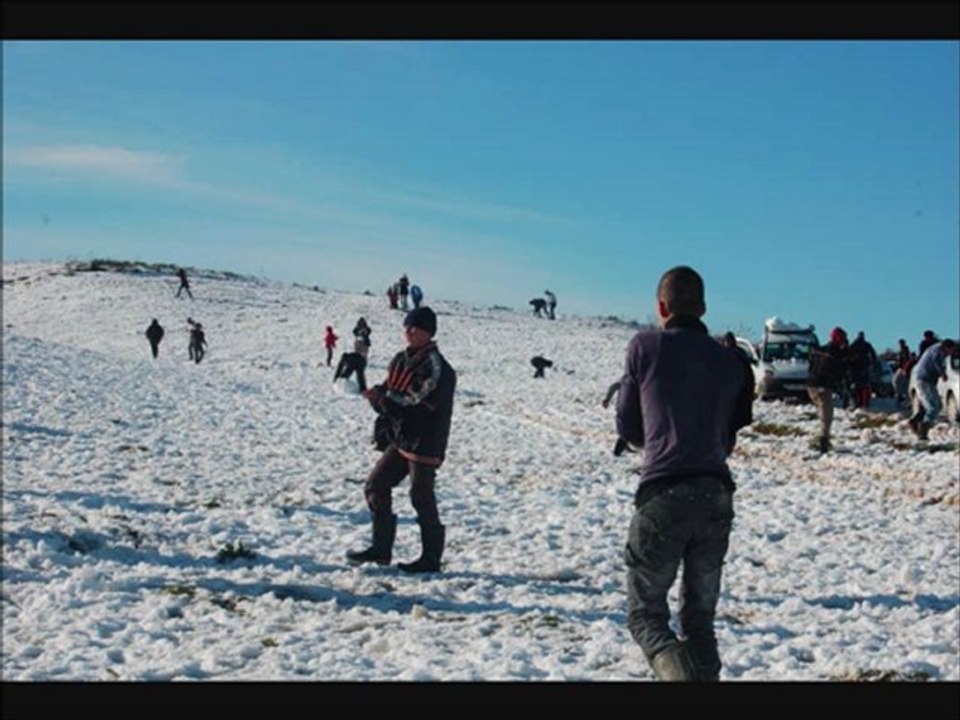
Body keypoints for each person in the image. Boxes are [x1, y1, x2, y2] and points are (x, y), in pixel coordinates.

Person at [616, 266, 752, 682]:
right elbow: (732, 431)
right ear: (704, 307)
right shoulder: (733, 361)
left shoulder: (644, 347)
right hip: (715, 495)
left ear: (661, 307)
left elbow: (628, 428)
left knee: (646, 617)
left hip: (663, 492)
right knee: (699, 620)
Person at [347, 306, 456, 574]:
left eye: (414, 328)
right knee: (375, 485)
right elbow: (391, 389)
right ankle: (381, 549)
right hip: (402, 438)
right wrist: (377, 395)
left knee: (421, 497)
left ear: (427, 332)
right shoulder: (400, 358)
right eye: (407, 327)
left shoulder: (437, 366)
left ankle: (430, 559)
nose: (408, 332)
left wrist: (385, 401)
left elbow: (416, 401)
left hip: (425, 441)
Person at [807, 327, 851, 453]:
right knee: (827, 415)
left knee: (824, 413)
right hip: (822, 386)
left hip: (811, 385)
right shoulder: (835, 353)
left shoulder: (821, 350)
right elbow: (839, 370)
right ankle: (823, 441)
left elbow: (811, 364)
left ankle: (822, 438)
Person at [909, 338, 957, 440]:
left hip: (927, 380)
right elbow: (936, 361)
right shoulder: (938, 350)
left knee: (937, 405)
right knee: (933, 407)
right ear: (946, 348)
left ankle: (915, 422)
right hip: (924, 380)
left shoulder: (935, 348)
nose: (949, 354)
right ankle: (923, 430)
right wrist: (942, 374)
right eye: (950, 351)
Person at [847, 331, 877, 409]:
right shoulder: (866, 345)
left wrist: (850, 362)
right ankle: (864, 402)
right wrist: (871, 363)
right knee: (864, 385)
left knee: (857, 386)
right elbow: (873, 355)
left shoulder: (854, 344)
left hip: (855, 367)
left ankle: (857, 402)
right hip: (863, 367)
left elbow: (848, 354)